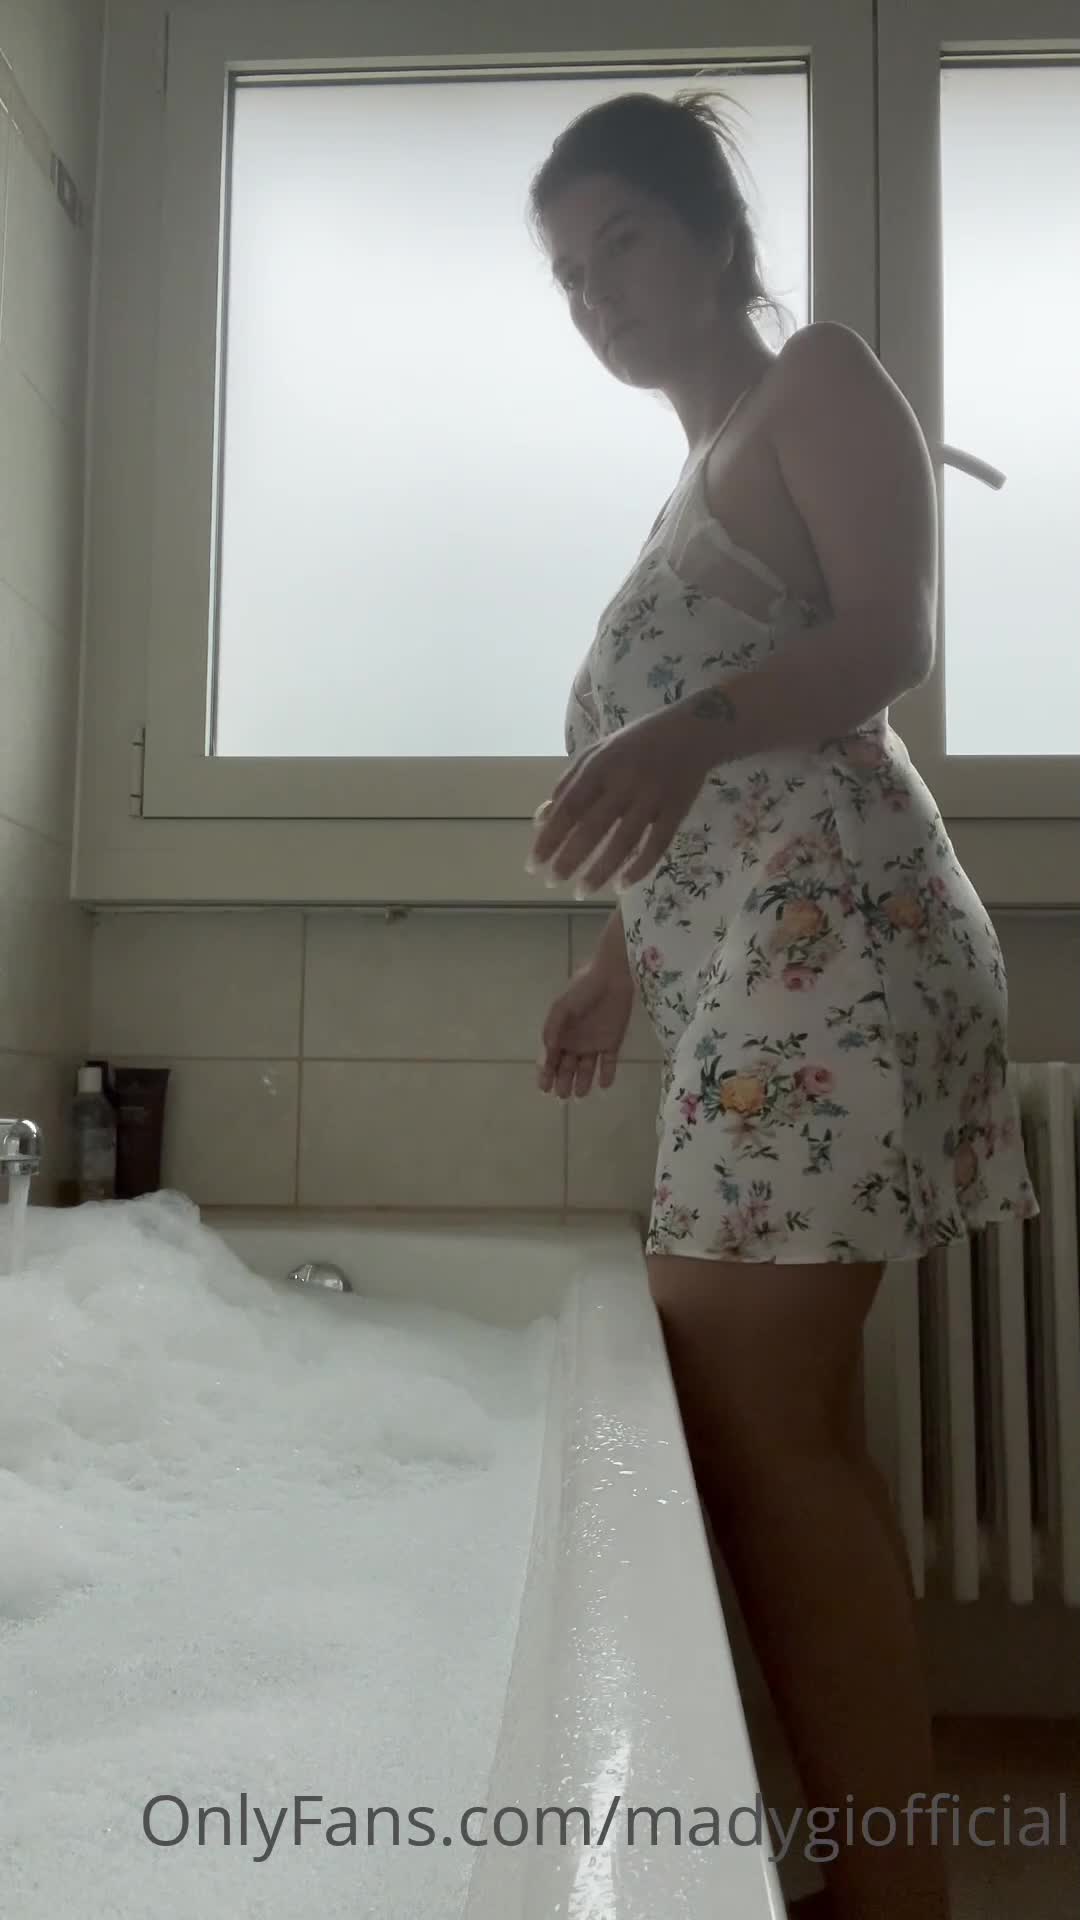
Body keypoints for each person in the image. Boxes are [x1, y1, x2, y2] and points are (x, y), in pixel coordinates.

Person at [527, 90, 1038, 1920]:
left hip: (847, 956)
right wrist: (614, 963)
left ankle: (891, 1892)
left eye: (622, 243)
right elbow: (697, 793)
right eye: (567, 274)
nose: (595, 295)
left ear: (716, 238)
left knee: (758, 1425)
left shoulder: (816, 378)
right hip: (758, 974)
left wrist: (680, 727)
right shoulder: (689, 479)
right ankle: (873, 1873)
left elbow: (887, 640)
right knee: (768, 1427)